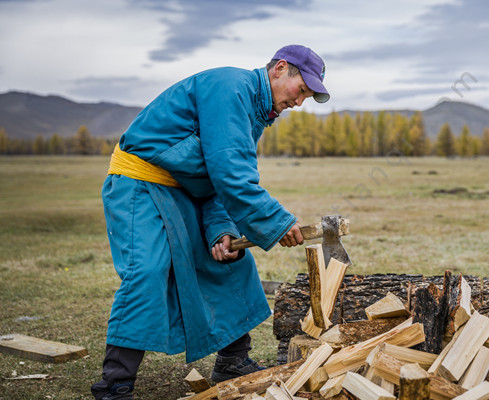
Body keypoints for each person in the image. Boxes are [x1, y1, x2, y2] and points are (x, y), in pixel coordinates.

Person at [91, 44, 329, 400]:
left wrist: (222, 229)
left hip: (184, 190)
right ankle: (116, 383)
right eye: (301, 90)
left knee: (230, 261)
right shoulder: (230, 88)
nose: (299, 102)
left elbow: (217, 182)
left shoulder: (254, 112)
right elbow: (230, 173)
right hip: (139, 183)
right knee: (148, 270)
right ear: (280, 69)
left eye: (308, 96)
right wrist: (276, 221)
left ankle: (233, 361)